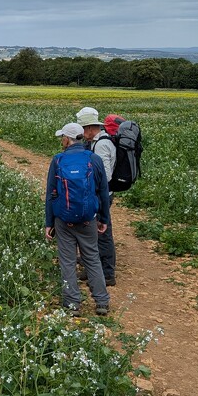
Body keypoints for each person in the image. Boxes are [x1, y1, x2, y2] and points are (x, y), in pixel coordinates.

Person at [45, 122, 110, 317]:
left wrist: (49, 223)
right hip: (88, 219)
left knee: (67, 261)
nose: (61, 141)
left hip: (63, 221)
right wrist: (103, 218)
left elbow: (51, 194)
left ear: (67, 139)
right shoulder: (94, 159)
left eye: (62, 137)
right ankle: (102, 302)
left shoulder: (57, 160)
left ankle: (73, 304)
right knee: (92, 258)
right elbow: (103, 192)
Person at [75, 106, 117, 286]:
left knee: (102, 231)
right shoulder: (96, 142)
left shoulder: (101, 145)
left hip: (101, 194)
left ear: (91, 128)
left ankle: (107, 273)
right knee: (93, 231)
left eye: (83, 129)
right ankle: (91, 266)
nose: (82, 133)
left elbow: (105, 176)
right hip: (100, 193)